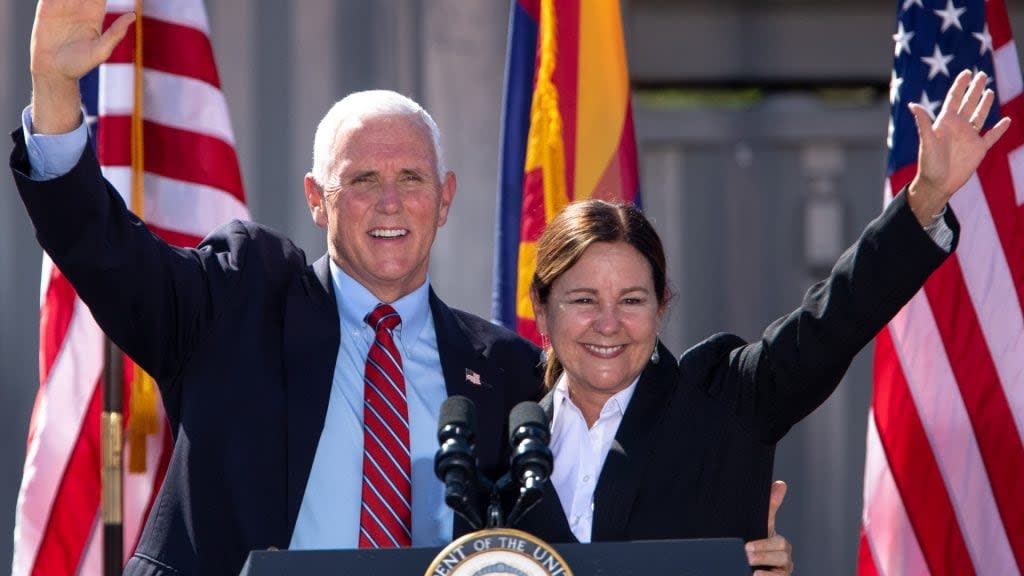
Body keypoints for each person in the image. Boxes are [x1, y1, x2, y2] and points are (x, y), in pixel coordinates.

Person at [12, 1, 798, 575]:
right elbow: (109, 256)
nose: (390, 202)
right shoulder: (237, 304)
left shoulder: (510, 372)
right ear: (318, 198)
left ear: (446, 198)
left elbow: (586, 521)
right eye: (363, 180)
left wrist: (727, 548)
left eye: (411, 178)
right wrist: (54, 92)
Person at [509, 68, 1009, 576]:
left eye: (632, 300)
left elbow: (831, 322)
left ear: (661, 307)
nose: (608, 323)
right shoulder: (508, 439)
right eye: (585, 300)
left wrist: (925, 197)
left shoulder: (725, 399)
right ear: (543, 307)